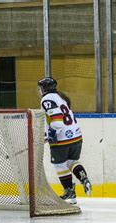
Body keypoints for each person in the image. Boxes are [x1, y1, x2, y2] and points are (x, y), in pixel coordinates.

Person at [37, 76, 92, 204]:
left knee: (60, 164)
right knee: (72, 161)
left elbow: (57, 122)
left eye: (40, 88)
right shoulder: (61, 97)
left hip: (62, 140)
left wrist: (51, 133)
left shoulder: (47, 99)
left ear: (44, 89)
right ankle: (83, 178)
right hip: (76, 136)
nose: (39, 91)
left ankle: (69, 192)